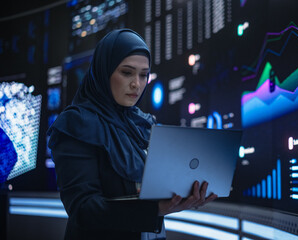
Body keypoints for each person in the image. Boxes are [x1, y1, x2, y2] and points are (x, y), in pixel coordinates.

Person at [47, 29, 217, 240]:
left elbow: (152, 192)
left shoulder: (143, 124)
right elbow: (83, 209)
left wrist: (186, 192)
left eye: (143, 74)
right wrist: (153, 209)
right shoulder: (76, 123)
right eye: (127, 72)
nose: (137, 83)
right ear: (104, 71)